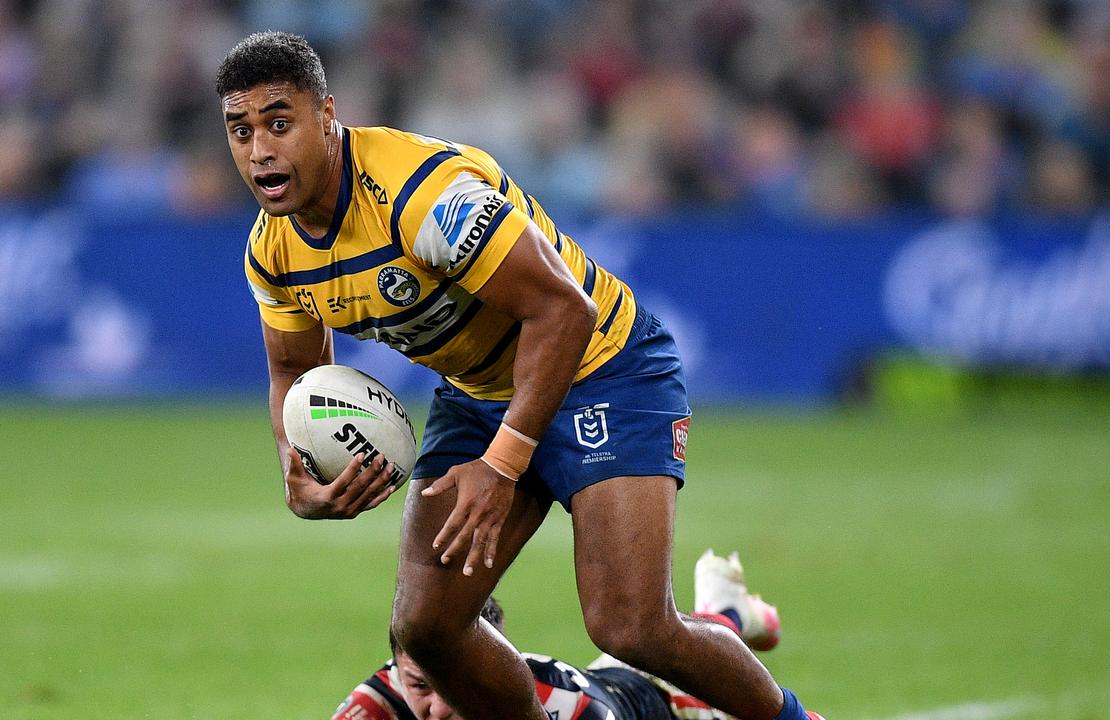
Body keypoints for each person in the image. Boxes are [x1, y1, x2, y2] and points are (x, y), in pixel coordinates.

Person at [216, 31, 822, 720]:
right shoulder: (272, 251)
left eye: (279, 122)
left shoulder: (425, 196)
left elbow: (565, 309)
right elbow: (295, 369)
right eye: (241, 130)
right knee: (429, 631)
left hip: (604, 368)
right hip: (480, 393)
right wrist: (296, 467)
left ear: (327, 117)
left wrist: (502, 466)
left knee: (629, 627)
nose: (260, 148)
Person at [333, 551, 787, 720]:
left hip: (665, 705)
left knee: (696, 669)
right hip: (611, 673)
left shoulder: (563, 706)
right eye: (417, 687)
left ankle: (725, 612)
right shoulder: (385, 694)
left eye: (450, 685)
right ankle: (723, 605)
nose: (434, 709)